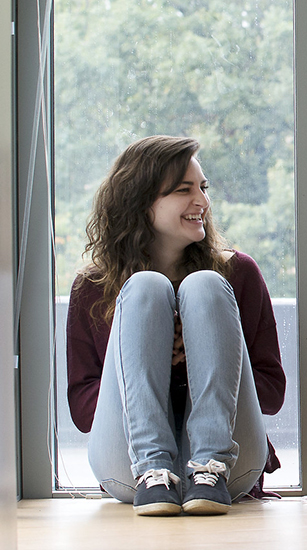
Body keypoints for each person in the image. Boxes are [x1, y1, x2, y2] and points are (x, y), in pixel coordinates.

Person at [66, 136, 285, 516]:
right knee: (145, 287)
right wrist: (150, 359)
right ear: (141, 200)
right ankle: (154, 465)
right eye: (185, 190)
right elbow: (83, 410)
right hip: (131, 470)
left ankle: (209, 465)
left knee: (205, 283)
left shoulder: (237, 274)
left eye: (203, 188)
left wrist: (207, 355)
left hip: (229, 465)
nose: (202, 201)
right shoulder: (94, 287)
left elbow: (271, 392)